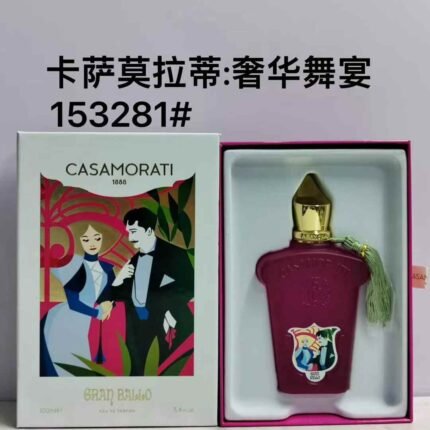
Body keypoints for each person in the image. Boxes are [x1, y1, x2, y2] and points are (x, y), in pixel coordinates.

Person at [97, 208, 194, 376]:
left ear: (149, 231)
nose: (130, 238)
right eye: (128, 232)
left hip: (170, 326)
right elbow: (120, 293)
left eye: (134, 231)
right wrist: (119, 280)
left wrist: (167, 308)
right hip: (137, 329)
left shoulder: (176, 255)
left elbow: (190, 287)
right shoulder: (133, 261)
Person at [41, 224, 115, 376]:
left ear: (102, 239)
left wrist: (110, 304)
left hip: (84, 321)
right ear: (79, 241)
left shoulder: (107, 268)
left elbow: (113, 294)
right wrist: (97, 313)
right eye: (86, 239)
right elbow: (73, 303)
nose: (92, 243)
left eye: (97, 238)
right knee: (65, 360)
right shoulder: (73, 265)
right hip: (63, 319)